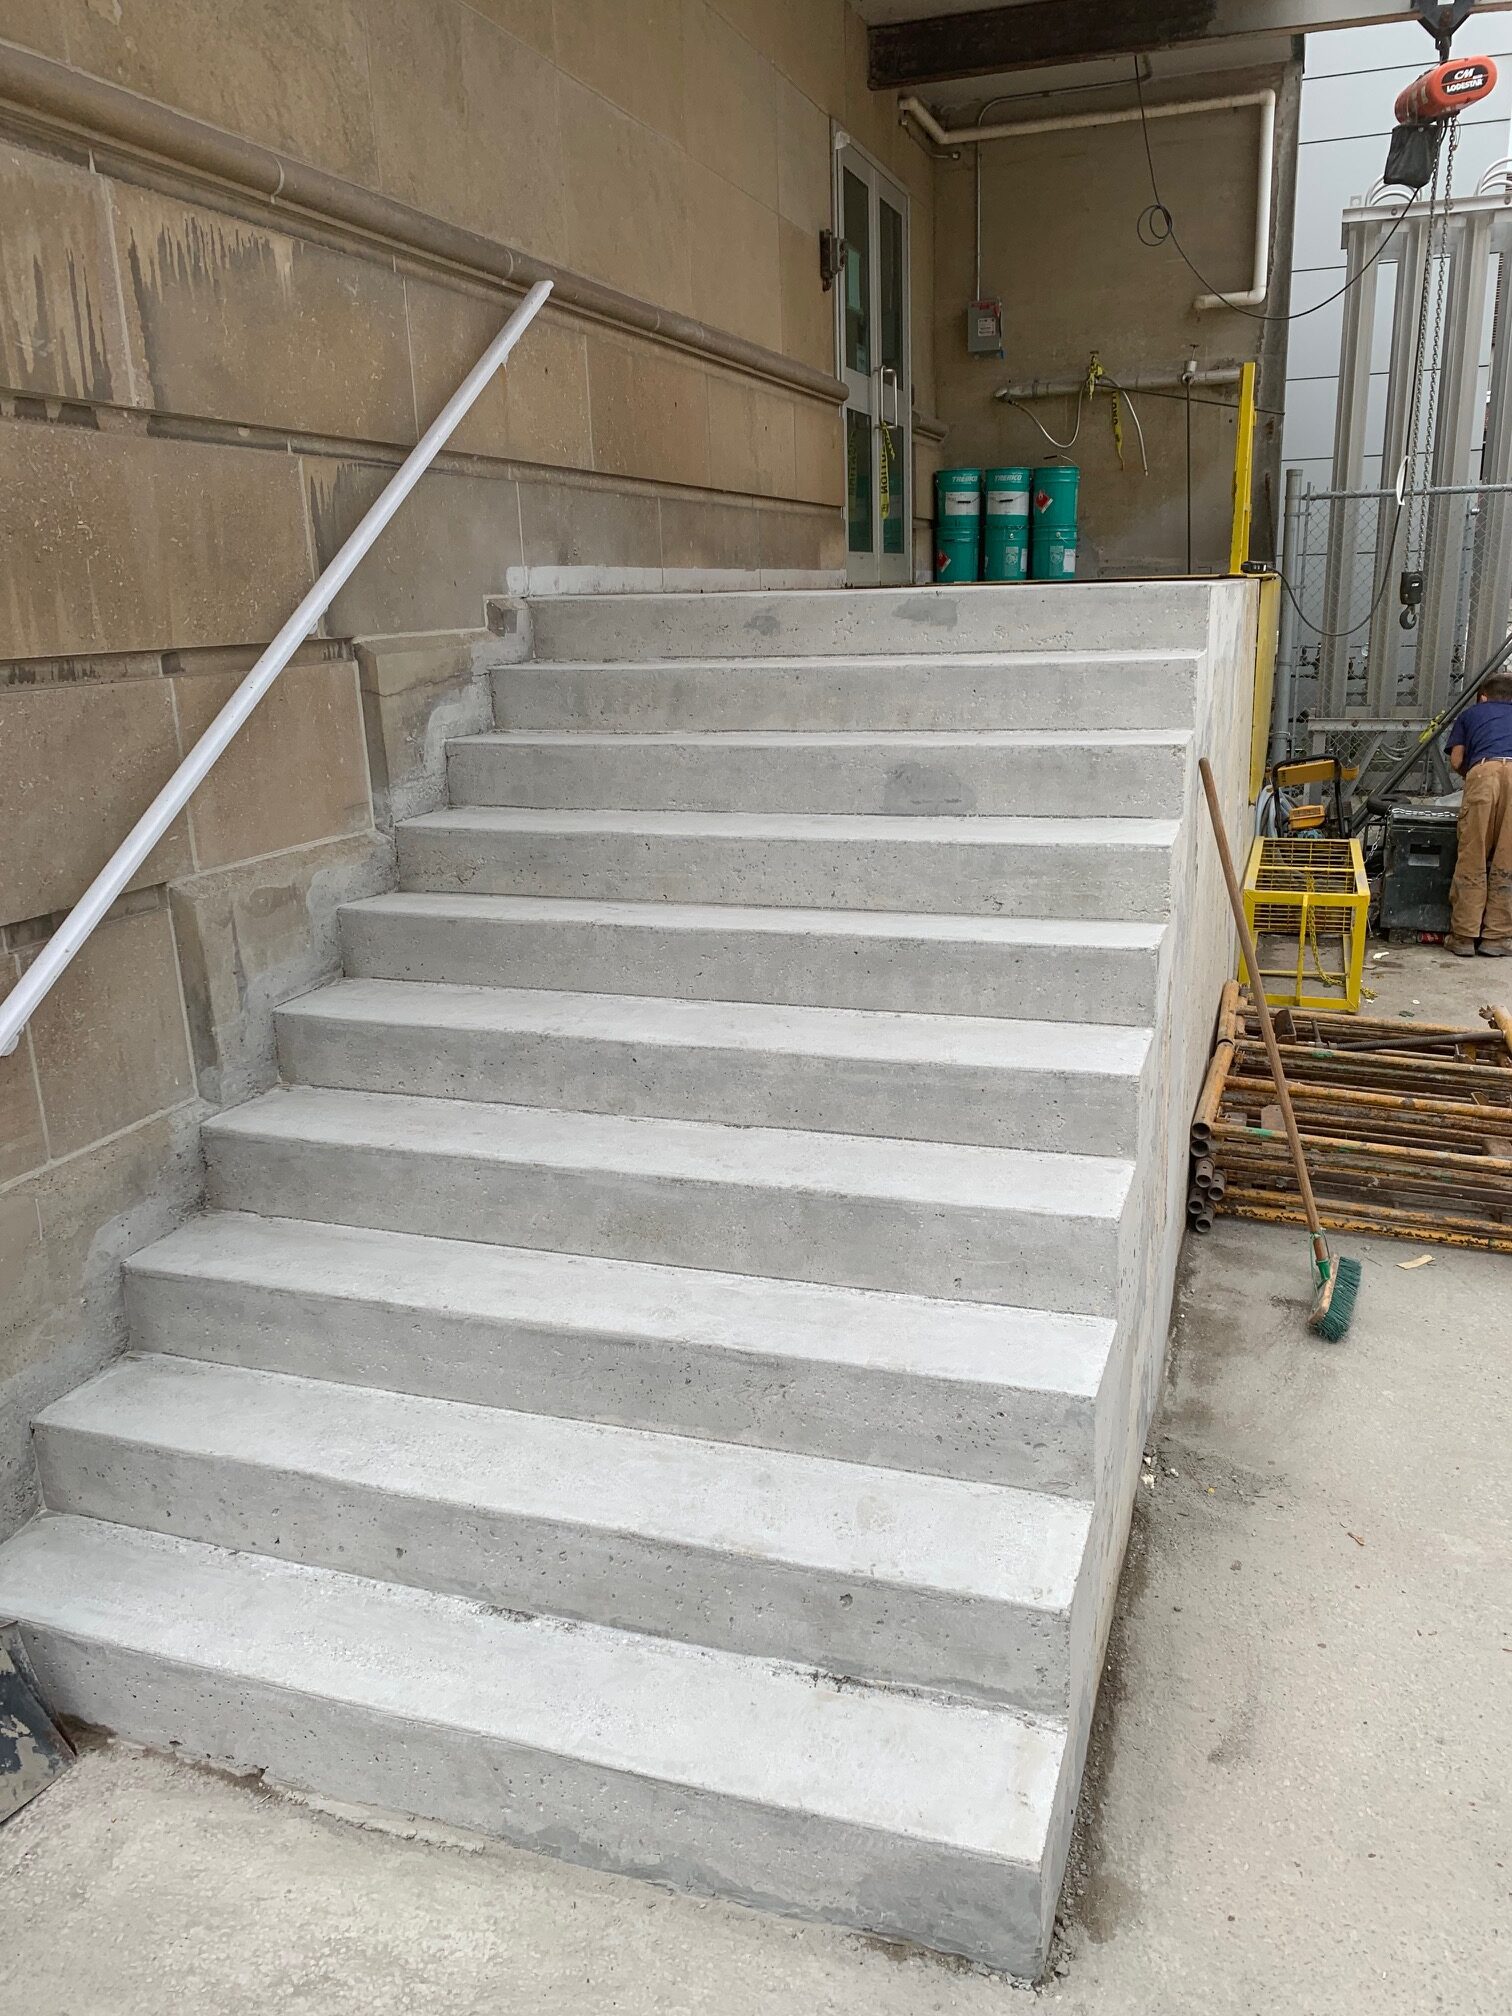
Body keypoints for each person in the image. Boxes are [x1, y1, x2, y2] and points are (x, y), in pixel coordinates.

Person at [1446, 672, 1512, 956]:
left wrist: (1476, 774)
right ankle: (1497, 938)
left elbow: (1456, 760)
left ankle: (1463, 936)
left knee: (1473, 854)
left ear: (1484, 696)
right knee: (1508, 856)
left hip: (1483, 773)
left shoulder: (1471, 714)